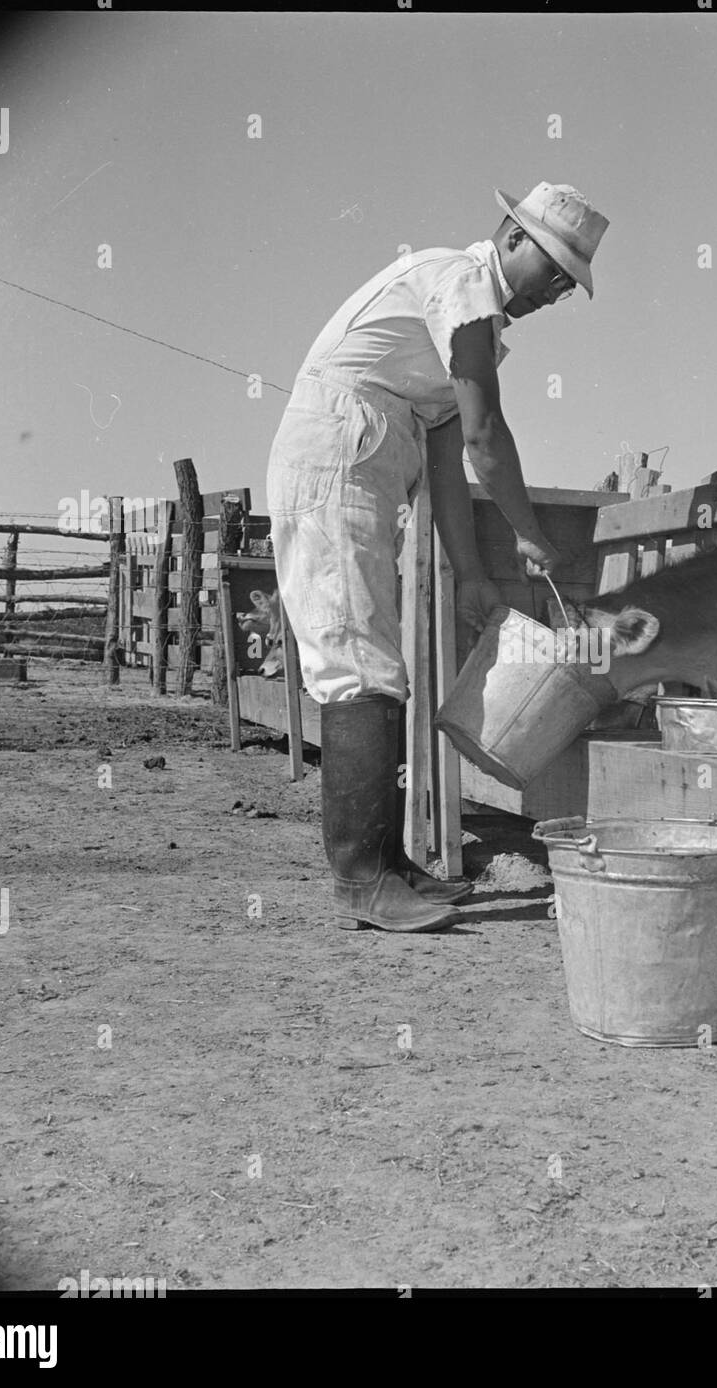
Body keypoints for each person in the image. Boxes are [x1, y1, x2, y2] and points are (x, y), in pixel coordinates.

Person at [267, 182, 608, 932]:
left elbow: (451, 461)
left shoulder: (474, 329)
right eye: (551, 269)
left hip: (366, 463)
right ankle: (362, 878)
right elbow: (488, 440)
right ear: (510, 236)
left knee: (378, 660)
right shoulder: (459, 284)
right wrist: (528, 532)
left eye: (566, 283)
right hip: (335, 458)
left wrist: (475, 576)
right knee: (358, 661)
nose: (554, 291)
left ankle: (387, 866)